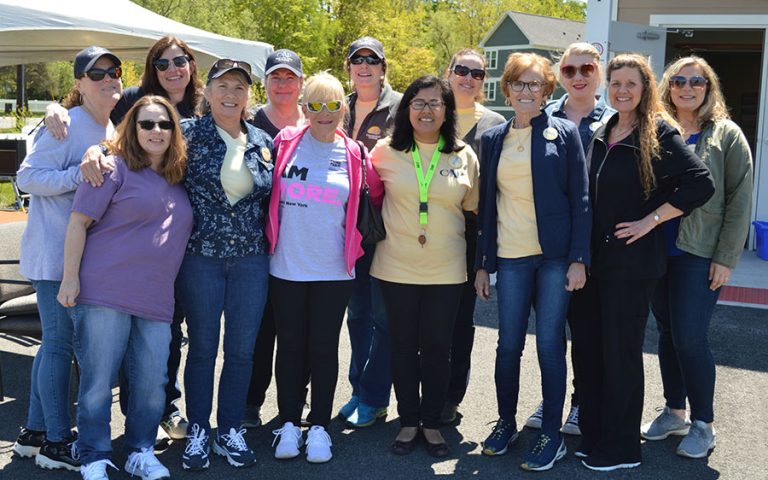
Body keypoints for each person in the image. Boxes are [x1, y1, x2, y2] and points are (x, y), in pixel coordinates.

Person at [45, 34, 203, 441]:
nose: (172, 69)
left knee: (157, 364)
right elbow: (95, 107)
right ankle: (95, 450)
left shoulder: (206, 105)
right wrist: (61, 116)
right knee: (102, 375)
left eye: (180, 61)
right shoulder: (135, 101)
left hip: (164, 282)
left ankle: (144, 440)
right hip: (108, 285)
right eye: (163, 63)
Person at [573, 53, 714, 472]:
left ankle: (621, 450)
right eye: (615, 83)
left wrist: (651, 220)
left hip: (631, 265)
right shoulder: (604, 129)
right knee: (590, 350)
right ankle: (595, 436)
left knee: (620, 353)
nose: (622, 90)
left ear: (645, 88)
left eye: (630, 84)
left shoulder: (658, 132)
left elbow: (700, 183)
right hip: (593, 262)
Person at [56, 95, 192, 480]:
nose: (156, 131)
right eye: (146, 123)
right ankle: (94, 454)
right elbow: (78, 223)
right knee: (98, 382)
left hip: (156, 301)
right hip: (104, 294)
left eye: (164, 124)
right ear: (132, 128)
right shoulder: (112, 168)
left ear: (173, 131)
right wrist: (70, 278)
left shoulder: (178, 180)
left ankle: (140, 450)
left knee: (153, 386)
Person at [474, 52, 591, 472]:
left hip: (555, 259)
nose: (527, 92)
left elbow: (581, 200)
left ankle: (551, 434)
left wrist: (579, 258)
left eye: (535, 85)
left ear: (547, 91)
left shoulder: (564, 133)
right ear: (506, 89)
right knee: (507, 346)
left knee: (549, 345)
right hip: (510, 257)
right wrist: (483, 264)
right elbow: (486, 207)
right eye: (519, 84)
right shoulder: (492, 140)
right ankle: (506, 422)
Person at [12, 45, 121, 473]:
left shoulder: (106, 124)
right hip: (55, 260)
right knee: (59, 347)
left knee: (53, 347)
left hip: (77, 259)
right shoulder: (68, 124)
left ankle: (35, 432)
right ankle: (57, 441)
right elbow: (26, 178)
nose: (109, 78)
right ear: (79, 84)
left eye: (114, 71)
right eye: (97, 74)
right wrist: (77, 175)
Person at [268, 72, 384, 463]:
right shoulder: (284, 143)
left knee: (323, 347)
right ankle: (287, 422)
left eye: (332, 105)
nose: (323, 113)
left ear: (343, 109)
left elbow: (377, 196)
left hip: (334, 269)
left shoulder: (354, 153)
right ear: (304, 109)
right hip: (286, 266)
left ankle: (319, 426)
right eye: (314, 105)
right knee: (290, 348)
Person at [641, 56, 753, 459]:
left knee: (690, 336)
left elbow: (740, 200)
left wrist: (726, 256)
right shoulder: (655, 130)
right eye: (679, 81)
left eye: (697, 81)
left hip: (699, 251)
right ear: (668, 87)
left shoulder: (726, 135)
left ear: (709, 88)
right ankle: (675, 412)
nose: (687, 87)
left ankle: (703, 423)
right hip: (656, 248)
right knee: (667, 334)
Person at [370, 75, 479, 458]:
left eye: (435, 103)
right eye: (418, 102)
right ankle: (408, 421)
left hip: (447, 269)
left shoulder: (463, 155)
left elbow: (472, 210)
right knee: (402, 347)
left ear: (447, 111)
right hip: (395, 266)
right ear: (406, 109)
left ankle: (432, 424)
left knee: (437, 347)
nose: (426, 110)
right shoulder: (383, 151)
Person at [175, 59, 273, 470]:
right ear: (208, 92)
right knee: (201, 348)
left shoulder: (263, 140)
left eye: (239, 87)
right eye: (222, 86)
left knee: (241, 351)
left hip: (252, 260)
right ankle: (198, 429)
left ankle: (229, 429)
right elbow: (137, 152)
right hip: (201, 259)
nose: (231, 94)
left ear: (249, 95)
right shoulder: (186, 133)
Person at [524, 42, 617, 436]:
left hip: (598, 241)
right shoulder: (544, 117)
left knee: (586, 328)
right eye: (570, 70)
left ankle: (581, 402)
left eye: (587, 68)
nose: (578, 77)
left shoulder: (616, 119)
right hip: (550, 242)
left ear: (599, 72)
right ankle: (553, 398)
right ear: (560, 76)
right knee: (550, 328)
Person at [340, 36, 403, 428]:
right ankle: (358, 388)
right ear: (348, 67)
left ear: (383, 67)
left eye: (372, 60)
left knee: (384, 317)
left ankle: (376, 396)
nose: (364, 66)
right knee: (357, 314)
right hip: (347, 230)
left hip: (386, 228)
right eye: (357, 60)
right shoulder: (339, 105)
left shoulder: (397, 107)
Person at [440, 47, 505, 424]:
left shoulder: (494, 124)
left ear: (484, 82)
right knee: (422, 321)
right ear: (449, 71)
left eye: (477, 74)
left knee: (460, 320)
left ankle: (451, 396)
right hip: (425, 233)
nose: (468, 78)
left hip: (469, 236)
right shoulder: (429, 112)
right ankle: (420, 393)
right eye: (462, 69)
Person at [243, 48, 306, 429]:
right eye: (276, 77)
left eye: (290, 77)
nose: (283, 84)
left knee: (299, 331)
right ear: (265, 82)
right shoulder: (250, 122)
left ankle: (293, 405)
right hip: (256, 245)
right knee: (260, 329)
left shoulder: (317, 118)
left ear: (300, 82)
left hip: (302, 245)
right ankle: (251, 402)